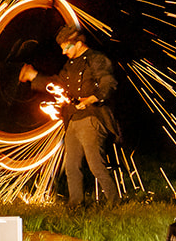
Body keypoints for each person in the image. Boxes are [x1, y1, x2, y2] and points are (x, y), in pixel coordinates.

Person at [20, 24, 121, 206]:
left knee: (95, 165)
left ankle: (114, 202)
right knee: (71, 166)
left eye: (66, 47)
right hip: (72, 120)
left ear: (78, 44)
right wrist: (34, 76)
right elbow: (56, 83)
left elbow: (108, 83)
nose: (64, 52)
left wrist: (89, 100)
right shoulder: (69, 66)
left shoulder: (96, 59)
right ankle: (75, 203)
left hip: (91, 117)